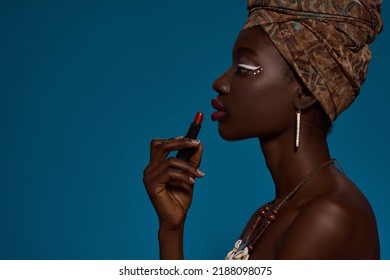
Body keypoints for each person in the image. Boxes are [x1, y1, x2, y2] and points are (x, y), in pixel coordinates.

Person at [143, 0, 383, 259]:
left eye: (244, 69)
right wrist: (171, 228)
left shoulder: (329, 216)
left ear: (304, 91)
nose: (220, 82)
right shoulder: (269, 214)